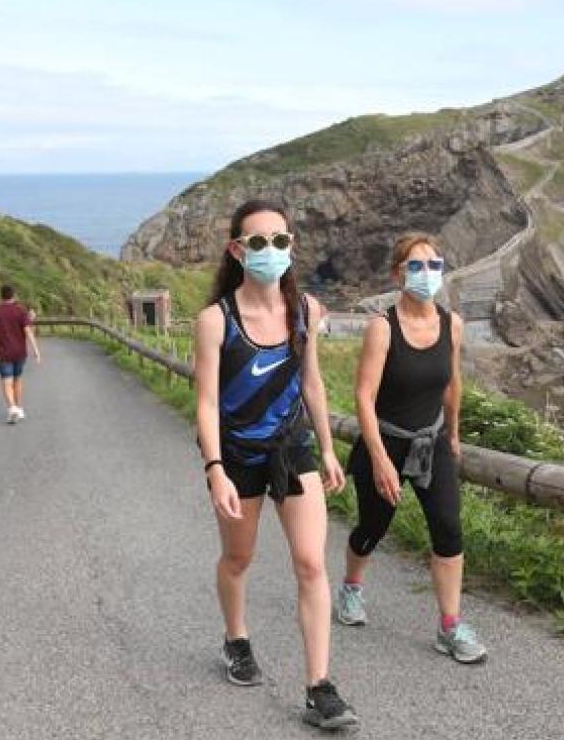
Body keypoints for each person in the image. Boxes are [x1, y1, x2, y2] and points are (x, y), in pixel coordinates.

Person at [193, 199, 358, 730]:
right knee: (238, 559)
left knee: (311, 563)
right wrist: (214, 466)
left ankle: (319, 687)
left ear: (292, 245)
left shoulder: (306, 311)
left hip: (292, 449)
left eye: (281, 240)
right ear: (237, 250)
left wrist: (329, 448)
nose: (271, 251)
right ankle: (236, 639)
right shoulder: (215, 320)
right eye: (259, 242)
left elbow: (312, 382)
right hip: (237, 454)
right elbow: (207, 402)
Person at [334, 232, 487, 664]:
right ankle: (350, 587)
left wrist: (453, 433)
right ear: (398, 274)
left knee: (448, 530)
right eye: (415, 266)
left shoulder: (451, 324)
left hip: (432, 440)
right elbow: (363, 396)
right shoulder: (381, 329)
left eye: (434, 265)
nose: (426, 274)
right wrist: (380, 459)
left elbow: (453, 382)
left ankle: (450, 626)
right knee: (372, 528)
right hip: (385, 441)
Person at [0, 284, 42, 424]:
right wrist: (36, 350)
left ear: (1, 295)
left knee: (6, 380)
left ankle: (12, 408)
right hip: (19, 352)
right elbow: (28, 331)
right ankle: (18, 407)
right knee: (17, 379)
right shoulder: (21, 311)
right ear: (14, 295)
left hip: (3, 351)